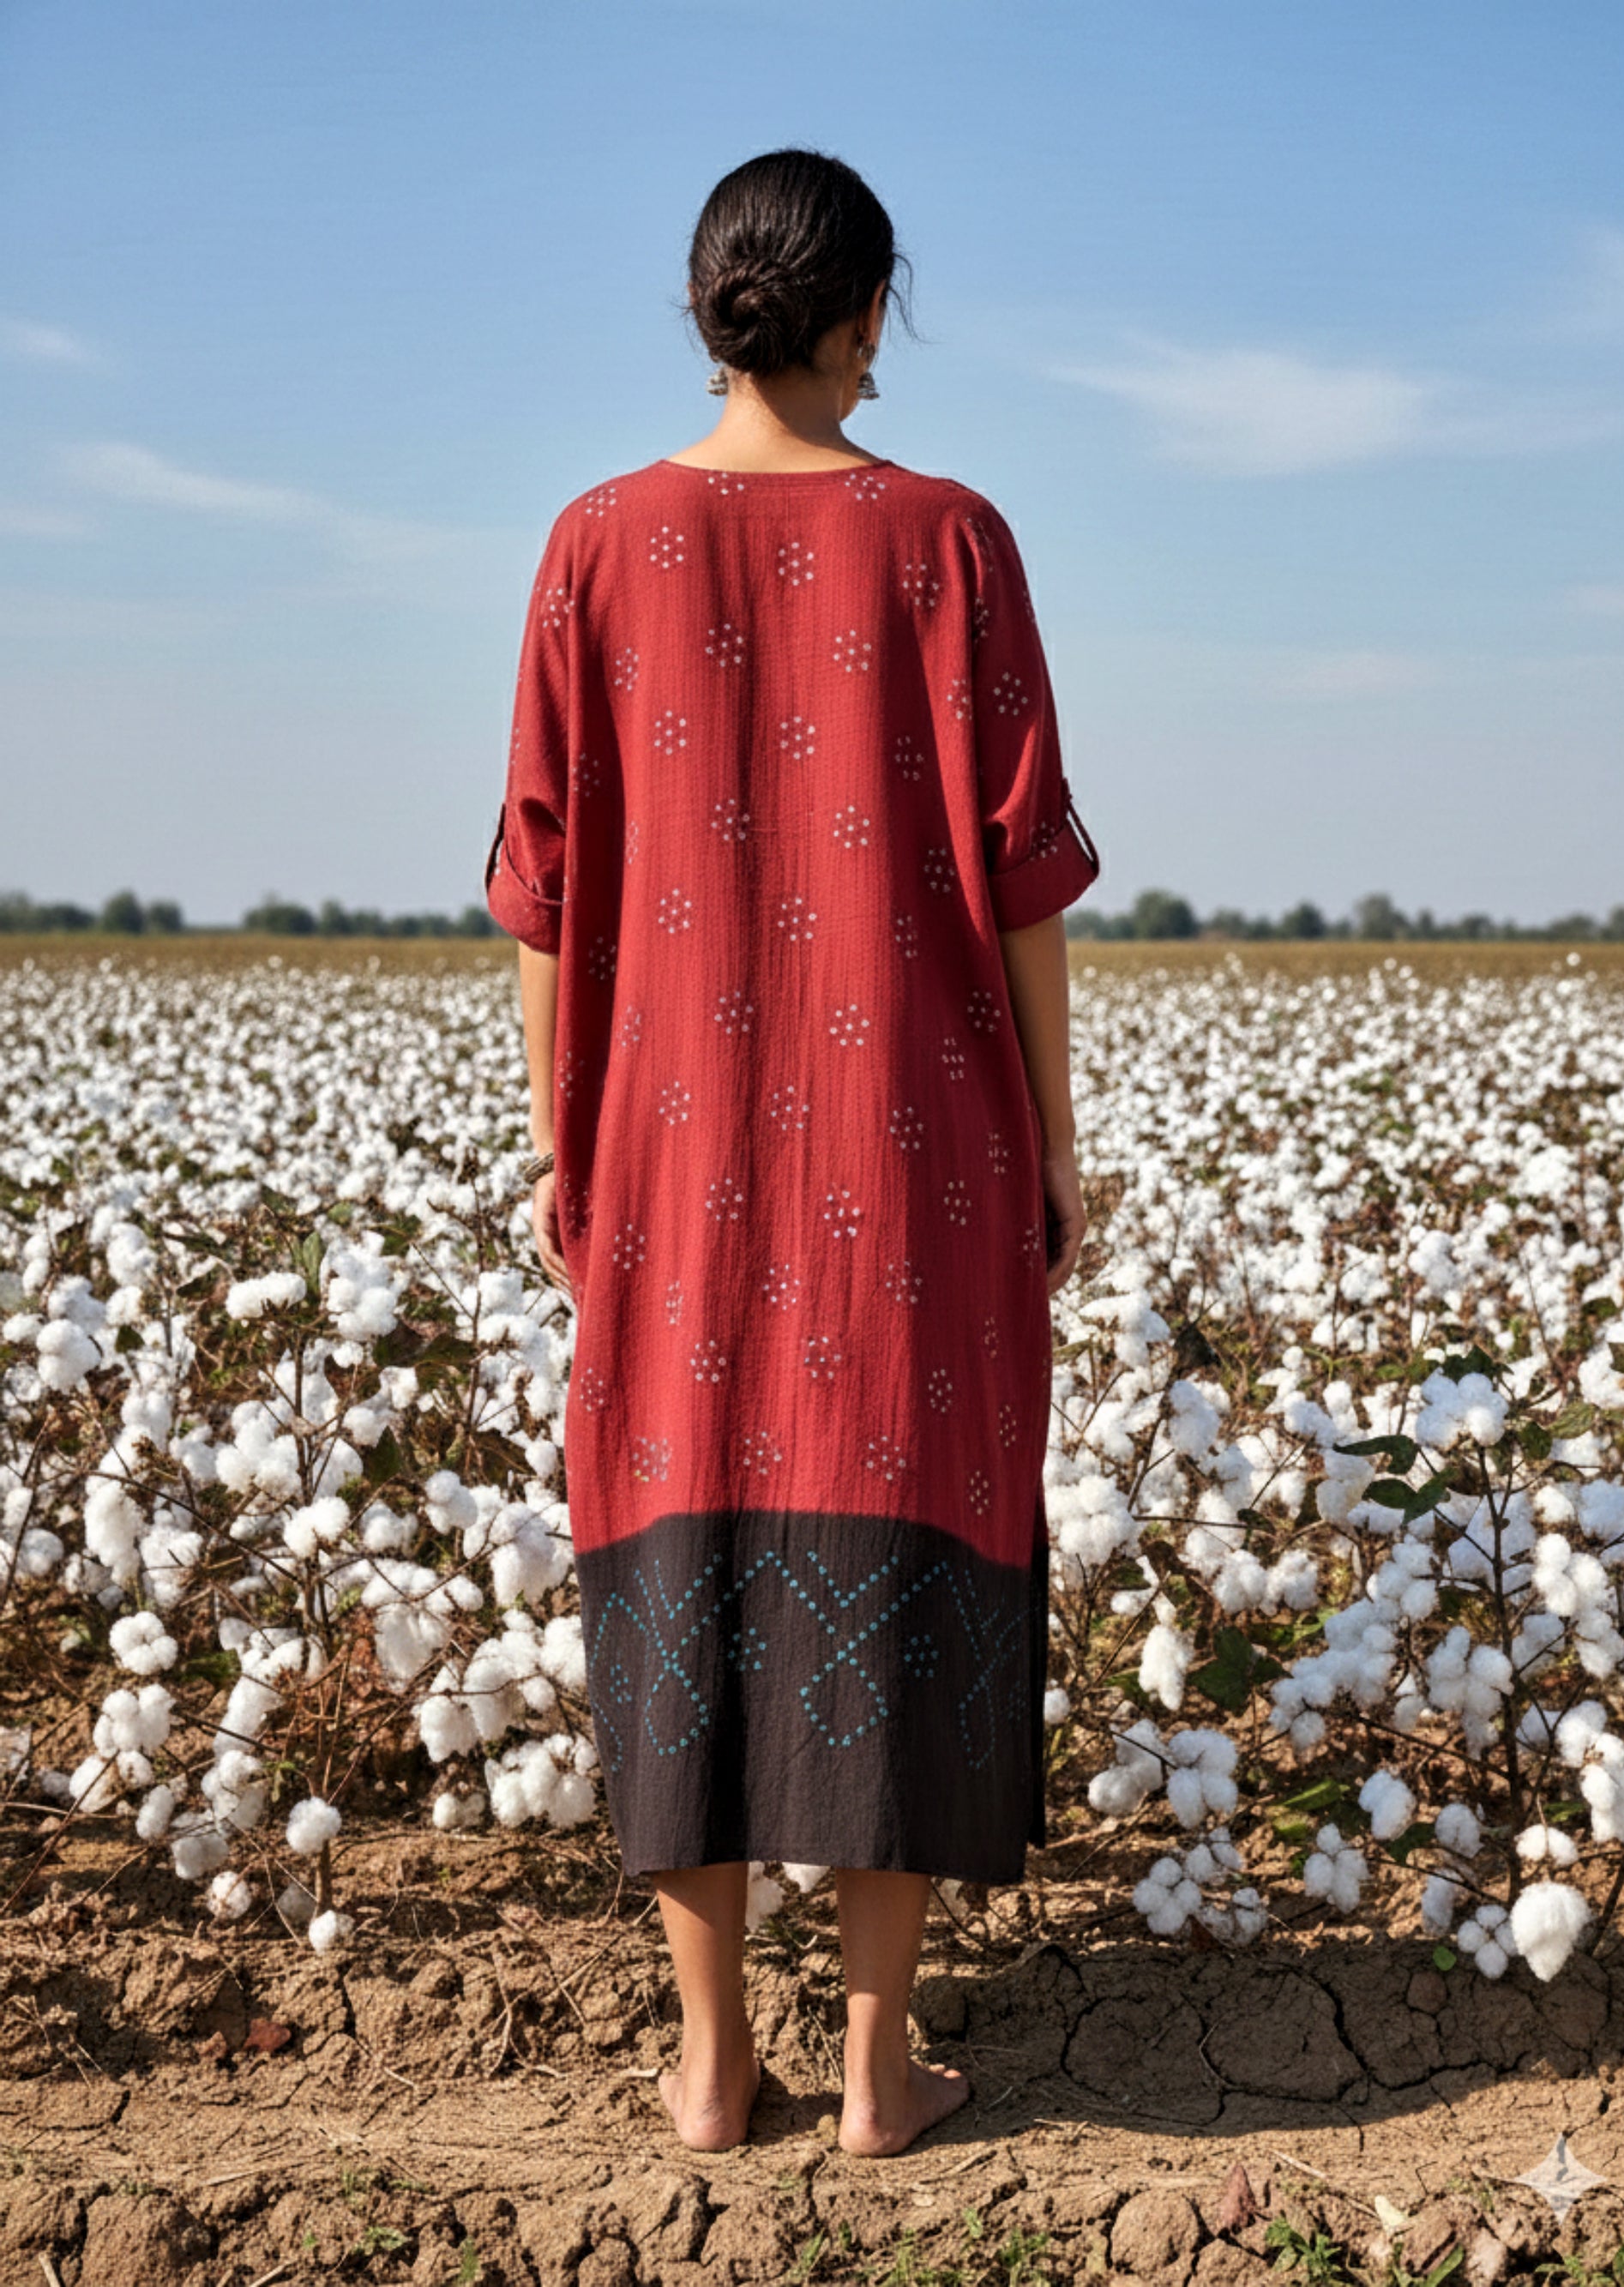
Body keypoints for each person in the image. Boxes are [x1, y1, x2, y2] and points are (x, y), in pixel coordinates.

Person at [484, 147, 1101, 2158]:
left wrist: (562, 1144)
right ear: (862, 320)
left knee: (678, 1537)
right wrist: (1055, 1141)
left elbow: (545, 893)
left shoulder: (594, 542)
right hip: (909, 1144)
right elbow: (1024, 879)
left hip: (663, 1136)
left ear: (705, 311)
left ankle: (700, 2062)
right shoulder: (951, 540)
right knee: (892, 1526)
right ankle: (869, 2069)